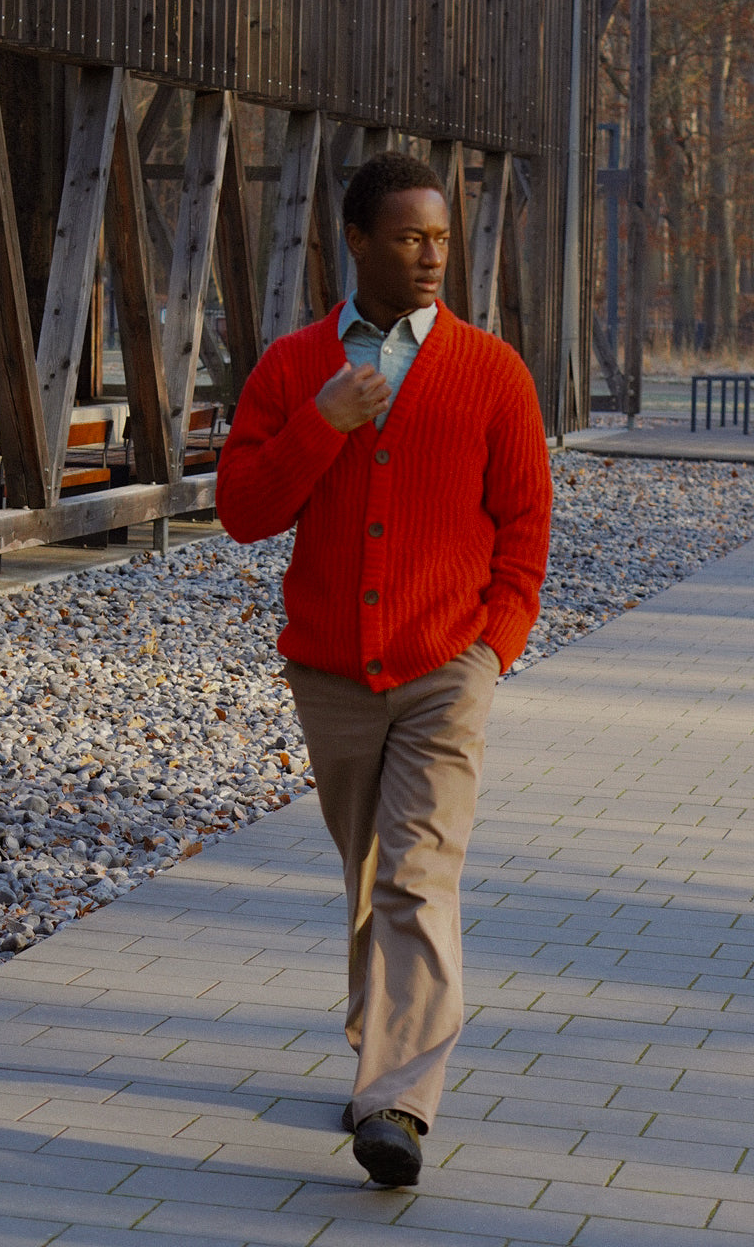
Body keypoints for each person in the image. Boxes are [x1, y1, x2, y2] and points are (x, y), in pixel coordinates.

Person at [215, 151, 552, 1188]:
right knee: (369, 871)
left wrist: (494, 643)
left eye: (440, 238)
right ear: (356, 240)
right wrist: (327, 421)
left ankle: (399, 1100)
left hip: (450, 663)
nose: (430, 255)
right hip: (329, 674)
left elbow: (526, 525)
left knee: (417, 871)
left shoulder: (493, 370)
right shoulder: (292, 367)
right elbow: (242, 510)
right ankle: (381, 1034)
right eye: (409, 237)